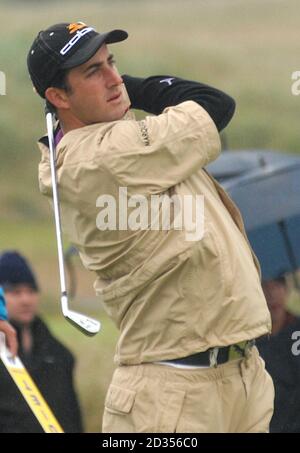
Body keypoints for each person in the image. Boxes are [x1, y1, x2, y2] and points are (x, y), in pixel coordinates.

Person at [27, 21, 274, 433]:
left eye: (112, 63)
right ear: (57, 96)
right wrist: (133, 89)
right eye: (93, 72)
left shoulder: (126, 140)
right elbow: (214, 105)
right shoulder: (95, 158)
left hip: (242, 376)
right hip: (172, 393)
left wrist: (115, 91)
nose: (113, 79)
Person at [0, 251, 83, 433]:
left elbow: (71, 415)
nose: (25, 300)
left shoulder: (60, 355)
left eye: (31, 291)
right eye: (15, 292)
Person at [257, 275, 300, 433]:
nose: (271, 294)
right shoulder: (248, 343)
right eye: (265, 286)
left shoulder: (296, 332)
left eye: (277, 286)